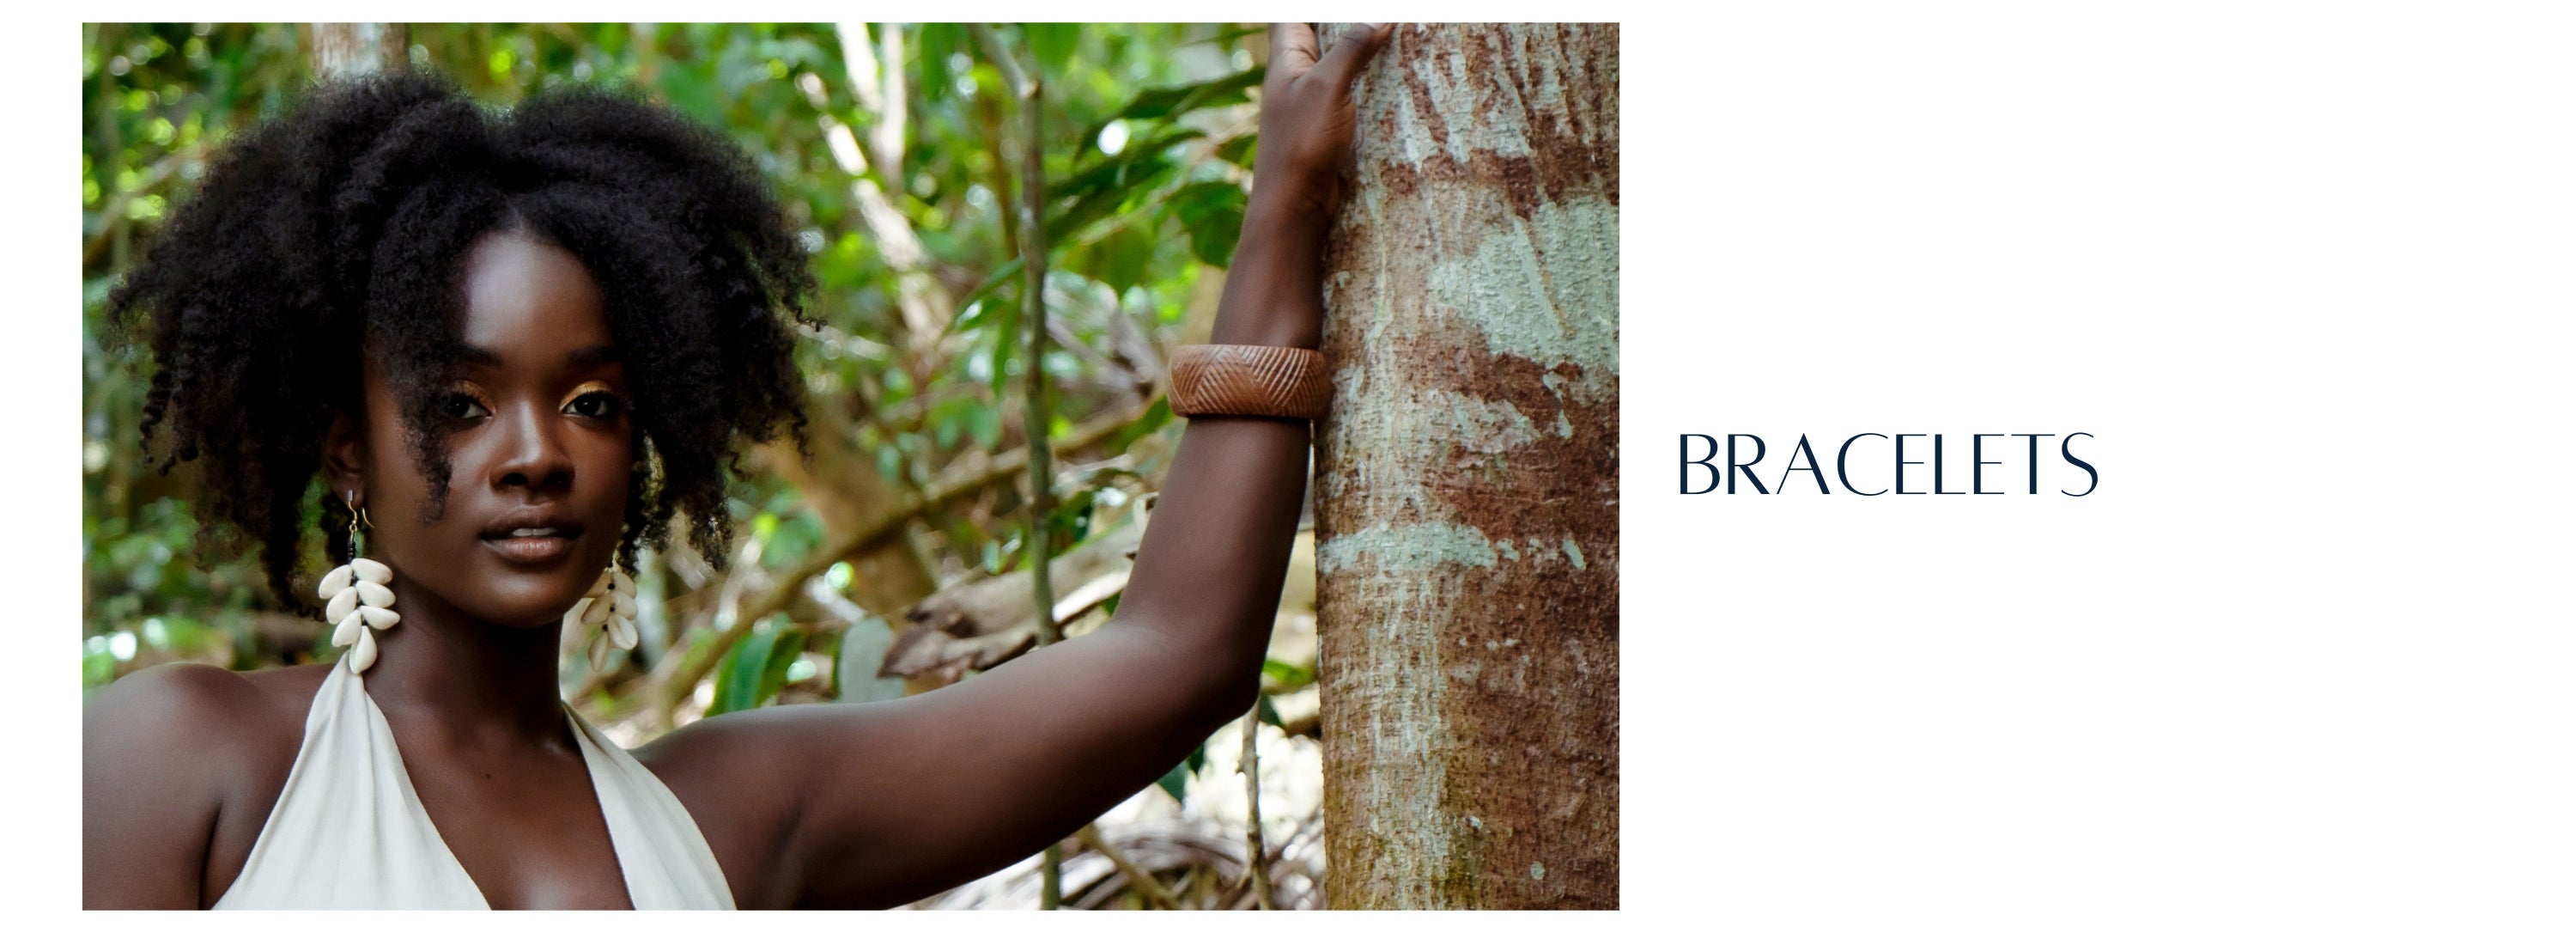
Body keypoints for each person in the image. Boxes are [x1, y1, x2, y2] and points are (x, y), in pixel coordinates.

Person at [83, 23, 1393, 909]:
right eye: (462, 403)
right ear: (344, 447)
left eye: (590, 399)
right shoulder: (188, 763)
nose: (536, 454)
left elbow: (1174, 655)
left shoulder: (726, 819)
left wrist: (1285, 196)